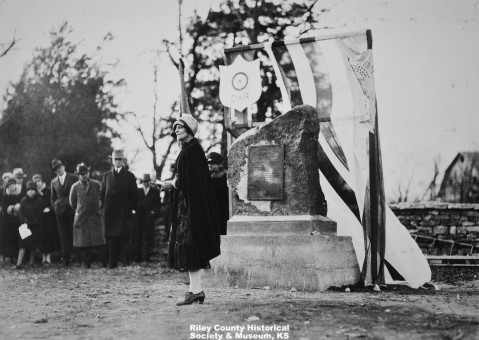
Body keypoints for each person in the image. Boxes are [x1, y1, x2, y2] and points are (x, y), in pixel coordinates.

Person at [162, 114, 220, 306]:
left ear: (189, 128)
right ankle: (194, 290)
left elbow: (190, 180)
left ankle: (196, 291)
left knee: (191, 247)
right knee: (189, 249)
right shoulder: (189, 149)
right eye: (175, 127)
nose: (176, 130)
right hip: (187, 207)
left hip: (191, 210)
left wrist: (172, 184)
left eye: (180, 127)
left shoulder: (192, 150)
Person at [99, 149, 138, 269]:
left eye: (120, 159)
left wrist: (128, 209)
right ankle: (112, 263)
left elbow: (134, 195)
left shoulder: (130, 176)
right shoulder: (106, 175)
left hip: (123, 212)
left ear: (123, 160)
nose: (117, 161)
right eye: (115, 159)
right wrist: (103, 207)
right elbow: (101, 193)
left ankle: (126, 263)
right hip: (110, 213)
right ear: (112, 160)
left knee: (123, 238)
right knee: (111, 238)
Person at [69, 163, 107, 268]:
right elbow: (72, 203)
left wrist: (100, 210)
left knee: (100, 241)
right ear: (78, 175)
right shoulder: (75, 187)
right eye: (82, 174)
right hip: (82, 218)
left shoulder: (96, 184)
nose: (85, 175)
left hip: (95, 216)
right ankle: (87, 263)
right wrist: (81, 210)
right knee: (84, 243)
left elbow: (102, 198)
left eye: (86, 173)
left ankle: (104, 263)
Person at [50, 159, 78, 266]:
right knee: (63, 236)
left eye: (60, 167)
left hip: (72, 210)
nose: (59, 169)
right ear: (55, 171)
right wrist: (55, 207)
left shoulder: (73, 178)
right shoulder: (53, 181)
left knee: (73, 234)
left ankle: (76, 257)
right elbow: (52, 198)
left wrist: (75, 206)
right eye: (56, 169)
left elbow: (77, 193)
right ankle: (66, 259)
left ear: (64, 167)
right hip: (60, 212)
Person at [130, 173, 160, 263]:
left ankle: (145, 258)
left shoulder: (154, 191)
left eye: (147, 181)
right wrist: (134, 211)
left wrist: (153, 212)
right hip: (138, 217)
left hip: (149, 217)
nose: (145, 183)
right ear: (141, 181)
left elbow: (158, 204)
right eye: (144, 181)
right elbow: (132, 202)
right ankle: (137, 258)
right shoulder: (137, 191)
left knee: (147, 238)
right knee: (137, 237)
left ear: (149, 182)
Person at [33, 174, 60, 264]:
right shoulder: (34, 192)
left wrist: (50, 209)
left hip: (48, 217)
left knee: (48, 237)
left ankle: (48, 256)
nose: (38, 184)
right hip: (39, 218)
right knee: (40, 237)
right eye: (35, 182)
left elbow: (54, 201)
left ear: (42, 181)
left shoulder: (49, 190)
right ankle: (42, 256)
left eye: (39, 181)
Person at [17, 181, 44, 268]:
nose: (31, 192)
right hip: (25, 226)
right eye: (29, 190)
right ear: (26, 191)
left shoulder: (39, 201)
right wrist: (25, 221)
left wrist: (32, 223)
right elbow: (21, 212)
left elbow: (40, 214)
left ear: (36, 191)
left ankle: (31, 262)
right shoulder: (23, 200)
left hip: (35, 226)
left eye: (33, 190)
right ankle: (19, 262)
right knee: (22, 244)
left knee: (33, 244)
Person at [207, 152, 229, 235]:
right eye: (208, 163)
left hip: (221, 212)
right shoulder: (207, 176)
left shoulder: (224, 177)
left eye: (213, 163)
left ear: (219, 164)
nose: (210, 165)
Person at [0, 178, 21, 264]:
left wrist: (18, 207)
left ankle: (16, 257)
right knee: (9, 239)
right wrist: (12, 208)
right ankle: (10, 257)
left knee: (16, 238)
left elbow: (21, 203)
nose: (12, 187)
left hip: (16, 220)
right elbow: (4, 208)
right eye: (10, 186)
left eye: (13, 185)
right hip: (7, 221)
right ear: (8, 187)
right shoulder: (5, 196)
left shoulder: (18, 195)